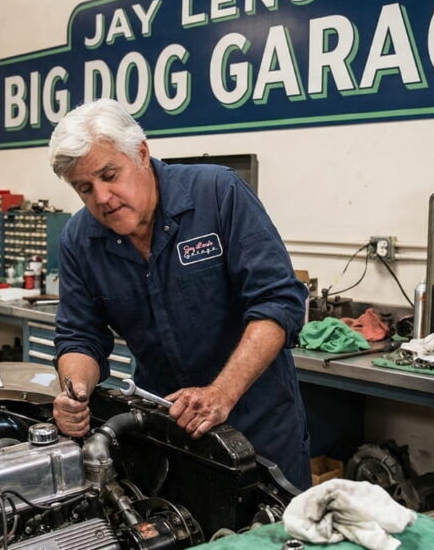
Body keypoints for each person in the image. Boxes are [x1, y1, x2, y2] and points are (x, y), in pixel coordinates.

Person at [47, 98, 312, 489]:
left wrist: (222, 393)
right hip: (167, 428)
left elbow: (278, 302)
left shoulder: (218, 193)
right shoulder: (79, 239)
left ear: (140, 153)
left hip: (259, 426)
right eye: (85, 188)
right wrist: (75, 390)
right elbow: (80, 336)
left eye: (109, 175)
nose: (101, 197)